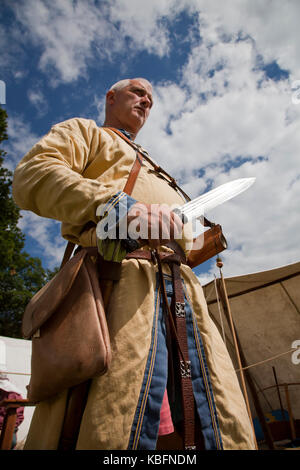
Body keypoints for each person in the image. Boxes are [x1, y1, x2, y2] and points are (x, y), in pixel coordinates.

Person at [12, 78, 256, 450]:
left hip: (183, 295)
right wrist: (118, 206)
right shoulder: (87, 133)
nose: (147, 101)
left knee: (211, 417)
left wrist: (194, 242)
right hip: (119, 286)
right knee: (117, 415)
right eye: (138, 93)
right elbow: (33, 175)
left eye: (152, 99)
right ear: (111, 97)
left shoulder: (159, 167)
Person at [0, 371, 24, 449]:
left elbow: (19, 416)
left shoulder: (15, 395)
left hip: (8, 427)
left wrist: (8, 428)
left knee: (11, 442)